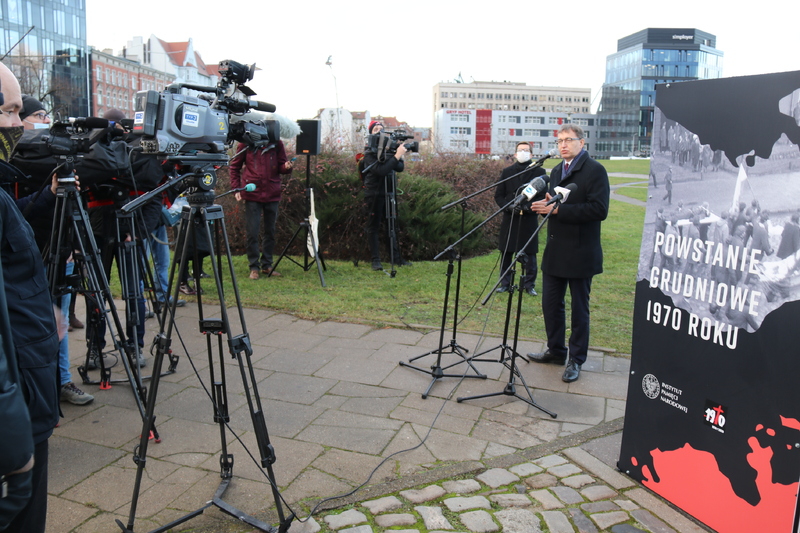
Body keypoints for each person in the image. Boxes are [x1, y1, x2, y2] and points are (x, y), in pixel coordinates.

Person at [0, 61, 61, 533]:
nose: (19, 125)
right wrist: (16, 444)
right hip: (18, 399)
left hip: (28, 383)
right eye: (11, 111)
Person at [19, 95, 93, 405]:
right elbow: (21, 212)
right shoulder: (13, 163)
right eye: (38, 115)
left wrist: (74, 248)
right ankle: (36, 388)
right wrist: (47, 193)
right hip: (27, 258)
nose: (45, 121)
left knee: (60, 321)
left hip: (59, 251)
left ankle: (62, 381)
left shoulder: (55, 159)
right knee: (38, 325)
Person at [528, 124, 610, 383]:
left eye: (568, 140)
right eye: (559, 140)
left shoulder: (595, 170)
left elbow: (599, 210)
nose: (563, 144)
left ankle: (576, 358)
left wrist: (558, 211)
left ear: (581, 143)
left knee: (579, 310)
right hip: (556, 251)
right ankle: (556, 351)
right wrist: (546, 205)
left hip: (580, 252)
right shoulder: (555, 170)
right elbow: (556, 202)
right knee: (551, 305)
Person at [229, 137, 293, 280]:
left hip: (272, 192)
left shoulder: (277, 143)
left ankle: (267, 265)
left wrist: (287, 167)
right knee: (253, 232)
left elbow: (282, 166)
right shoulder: (246, 143)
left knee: (270, 231)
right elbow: (235, 167)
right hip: (253, 193)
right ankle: (254, 267)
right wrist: (236, 189)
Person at [494, 141, 545, 295]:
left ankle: (529, 285)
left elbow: (543, 196)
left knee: (529, 253)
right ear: (515, 154)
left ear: (531, 154)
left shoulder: (539, 172)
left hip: (528, 219)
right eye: (520, 150)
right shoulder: (507, 172)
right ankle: (505, 283)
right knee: (506, 252)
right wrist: (508, 206)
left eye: (526, 150)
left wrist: (528, 208)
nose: (523, 152)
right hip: (510, 218)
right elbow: (499, 195)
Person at [361, 120, 411, 271]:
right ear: (371, 133)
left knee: (392, 225)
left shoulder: (389, 150)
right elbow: (381, 170)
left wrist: (396, 155)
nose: (380, 132)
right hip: (374, 192)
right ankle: (376, 260)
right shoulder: (369, 153)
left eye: (382, 129)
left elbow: (400, 167)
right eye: (376, 129)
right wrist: (396, 157)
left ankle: (396, 258)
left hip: (389, 190)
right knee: (374, 226)